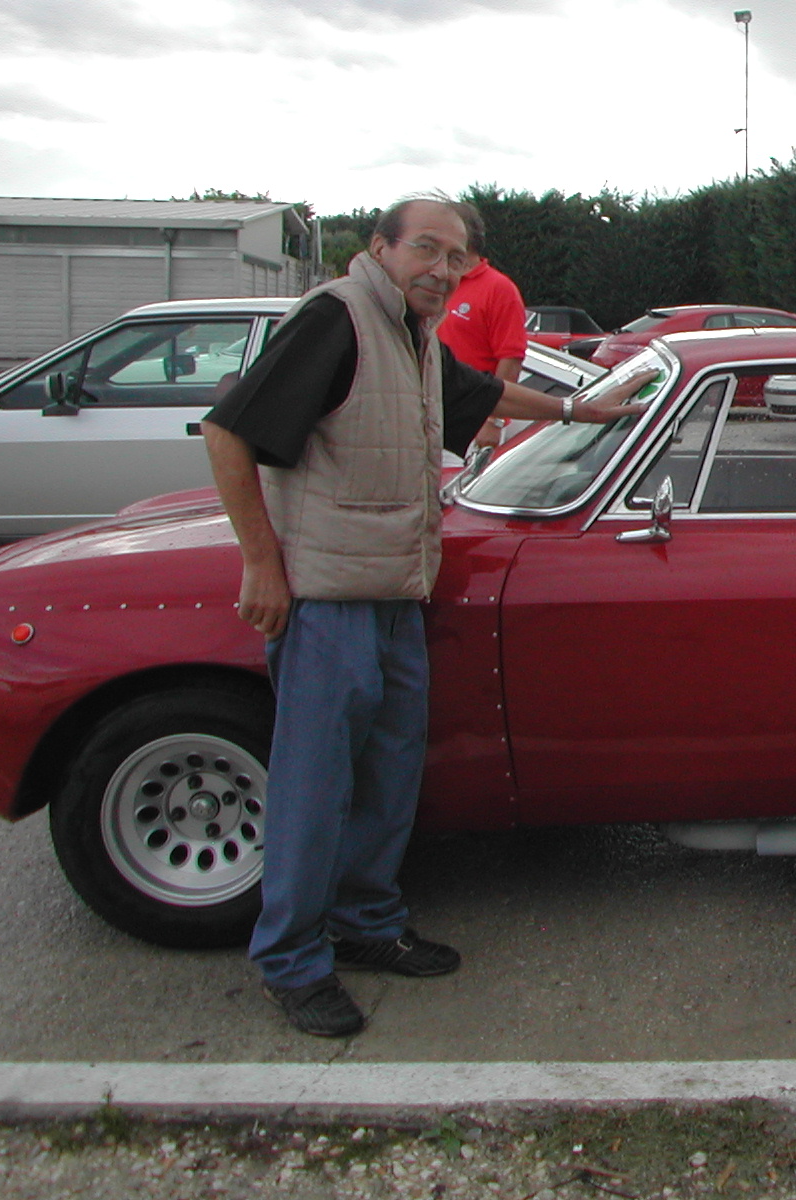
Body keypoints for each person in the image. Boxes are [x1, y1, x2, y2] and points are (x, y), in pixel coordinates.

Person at [201, 195, 648, 1038]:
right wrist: (261, 562)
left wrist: (580, 409)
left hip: (398, 593)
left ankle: (366, 922)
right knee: (314, 784)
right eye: (426, 250)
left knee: (390, 771)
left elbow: (481, 393)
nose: (442, 270)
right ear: (381, 247)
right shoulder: (336, 318)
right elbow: (229, 434)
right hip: (328, 599)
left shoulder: (410, 334)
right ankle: (292, 961)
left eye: (456, 258)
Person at [435, 201, 527, 448]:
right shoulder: (438, 282)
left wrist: (493, 420)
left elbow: (511, 358)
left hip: (471, 424)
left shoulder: (499, 289)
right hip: (431, 418)